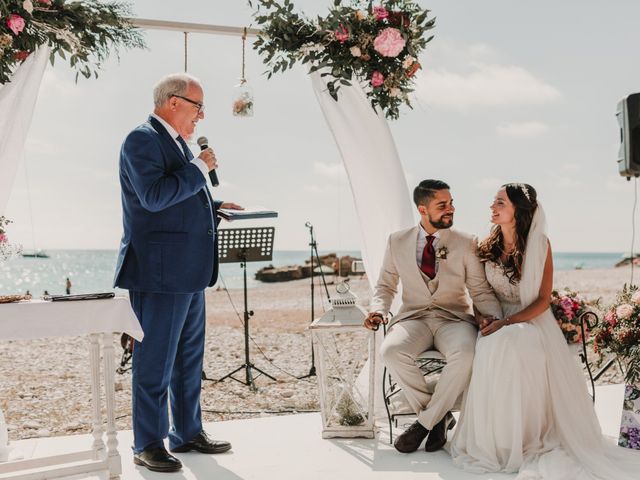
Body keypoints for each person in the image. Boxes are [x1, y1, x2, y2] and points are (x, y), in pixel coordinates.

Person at [450, 184, 640, 479]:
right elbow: (479, 291)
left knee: (512, 341)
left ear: (517, 210)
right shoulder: (487, 246)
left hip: (530, 320)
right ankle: (496, 441)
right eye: (493, 201)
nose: (492, 206)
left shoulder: (540, 245)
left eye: (500, 202)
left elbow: (542, 299)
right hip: (495, 319)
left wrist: (508, 323)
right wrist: (482, 319)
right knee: (492, 342)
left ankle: (523, 439)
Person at [113, 73, 243, 473]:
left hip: (188, 270)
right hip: (158, 272)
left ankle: (186, 432)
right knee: (153, 361)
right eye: (197, 106)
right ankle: (147, 442)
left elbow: (176, 199)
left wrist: (212, 205)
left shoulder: (176, 143)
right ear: (173, 102)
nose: (201, 116)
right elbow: (152, 197)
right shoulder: (142, 139)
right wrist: (200, 168)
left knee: (188, 359)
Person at [364, 179, 502, 454]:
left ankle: (424, 423)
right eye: (442, 205)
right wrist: (378, 310)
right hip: (413, 318)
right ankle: (439, 418)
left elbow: (479, 289)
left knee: (465, 354)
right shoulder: (397, 241)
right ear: (423, 209)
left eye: (451, 203)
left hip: (454, 319)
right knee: (390, 352)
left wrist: (496, 319)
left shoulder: (466, 242)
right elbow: (386, 285)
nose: (450, 209)